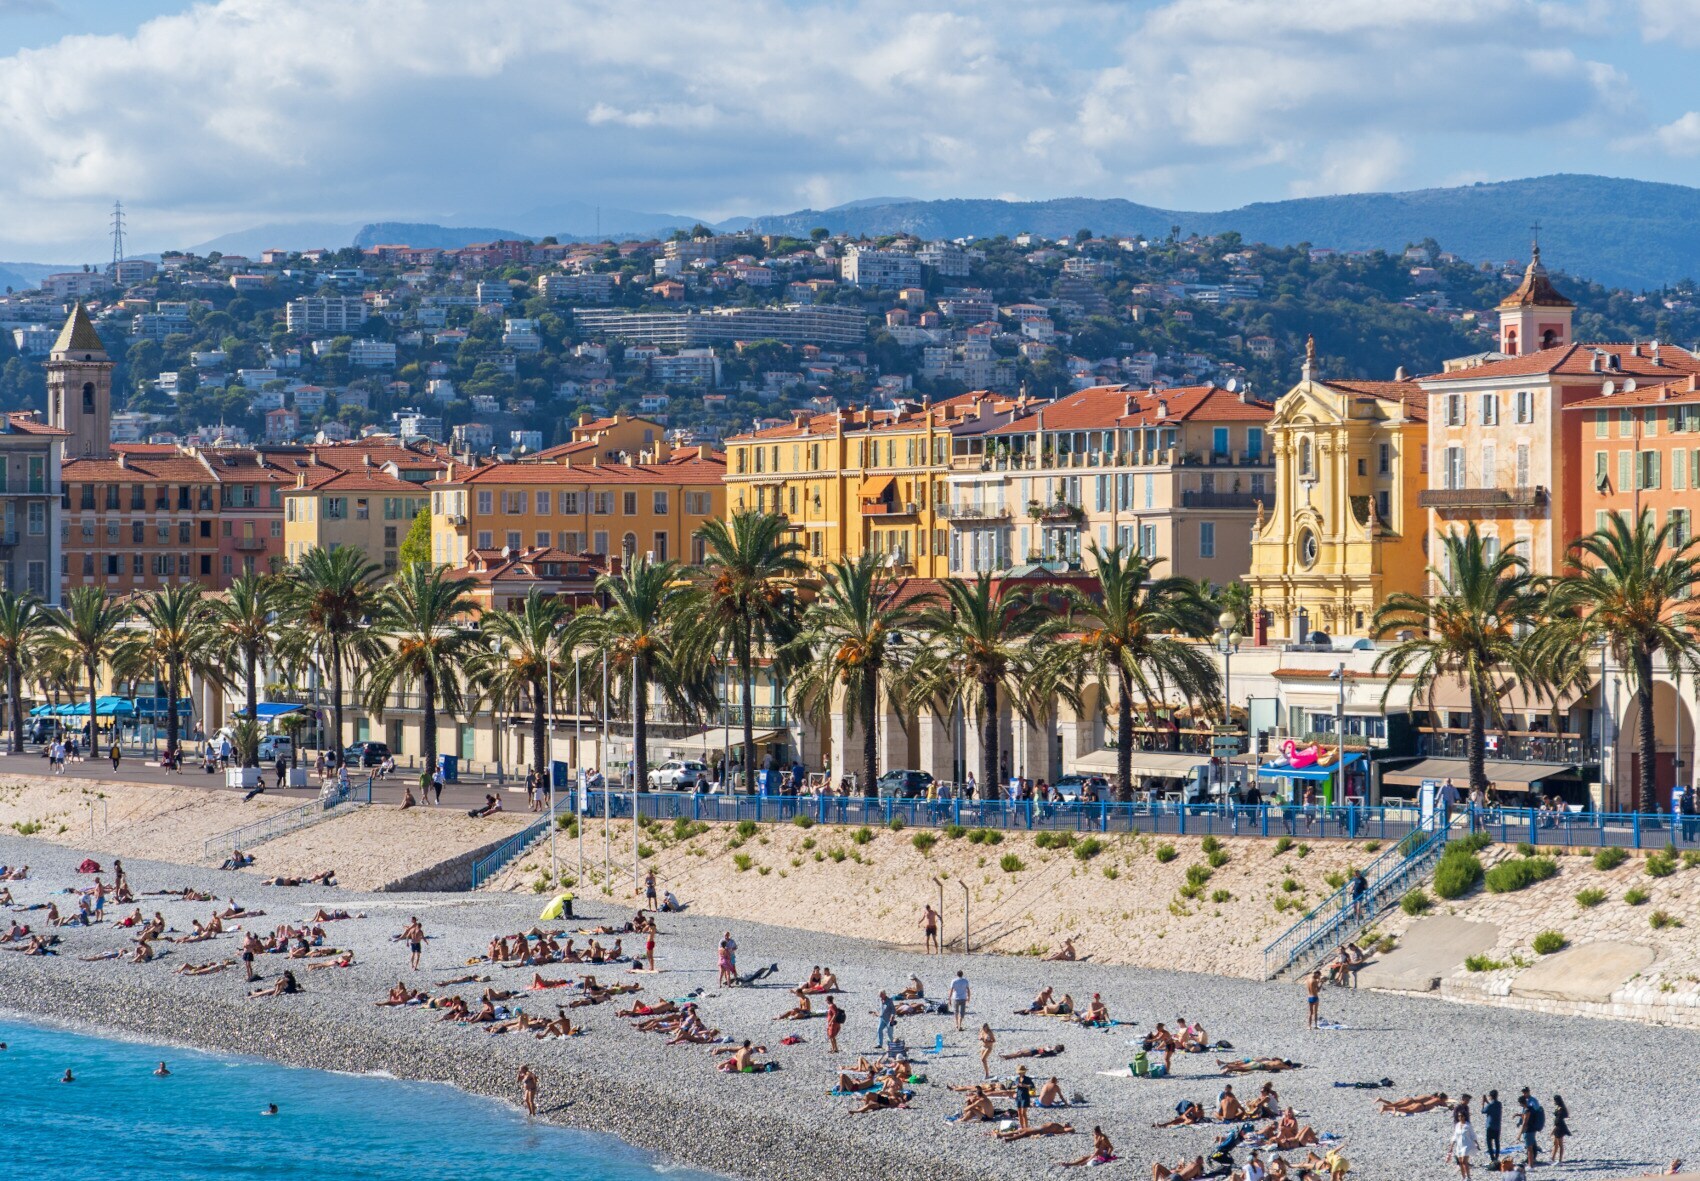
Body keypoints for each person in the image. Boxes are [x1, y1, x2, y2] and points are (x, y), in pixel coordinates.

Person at [1517, 1088, 1544, 1167]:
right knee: (1531, 1143)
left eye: (1525, 1092)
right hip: (1528, 1124)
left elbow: (1534, 1113)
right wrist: (1519, 1120)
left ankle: (1532, 1159)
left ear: (1528, 1092)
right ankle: (1529, 1159)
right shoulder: (1526, 1102)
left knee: (1531, 1144)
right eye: (1523, 1093)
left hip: (1531, 1125)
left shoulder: (1533, 1101)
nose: (1524, 1094)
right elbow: (1524, 1113)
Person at [1450, 1106, 1478, 1179]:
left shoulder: (1468, 1125)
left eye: (1461, 1116)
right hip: (1459, 1146)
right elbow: (1455, 1136)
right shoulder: (1457, 1125)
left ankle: (1468, 1177)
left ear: (1464, 1117)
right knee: (1460, 1162)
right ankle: (1463, 1177)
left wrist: (1476, 1143)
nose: (1460, 1117)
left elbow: (1473, 1135)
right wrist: (1451, 1146)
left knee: (1464, 1161)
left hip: (1467, 1145)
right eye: (1459, 1116)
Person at [1481, 1090, 1502, 1164]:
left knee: (1489, 1143)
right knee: (1497, 1142)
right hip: (1497, 1126)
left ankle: (1492, 1158)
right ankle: (1496, 1157)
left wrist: (1483, 1103)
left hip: (1490, 1126)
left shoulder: (1490, 1105)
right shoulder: (1499, 1104)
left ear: (1491, 1096)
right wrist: (1487, 1101)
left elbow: (1483, 1111)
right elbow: (1492, 1107)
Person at [1550, 1095, 1569, 1164]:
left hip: (1559, 1127)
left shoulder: (1560, 1109)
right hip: (1557, 1126)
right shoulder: (1558, 1107)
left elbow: (1558, 1121)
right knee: (1555, 1143)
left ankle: (1560, 1160)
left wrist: (1552, 1130)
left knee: (1560, 1144)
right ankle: (1553, 1158)